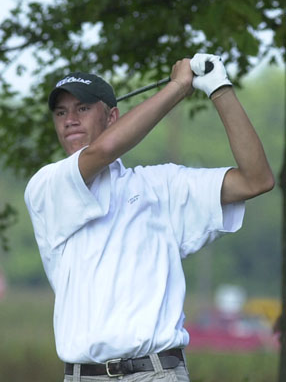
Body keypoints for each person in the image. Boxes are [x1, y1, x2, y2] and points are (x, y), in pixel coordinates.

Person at [24, 53, 274, 382]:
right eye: (60, 112)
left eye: (82, 109)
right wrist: (177, 87)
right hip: (84, 376)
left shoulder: (161, 186)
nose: (69, 119)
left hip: (157, 373)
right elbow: (102, 152)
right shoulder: (46, 186)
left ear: (112, 116)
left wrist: (219, 88)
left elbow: (256, 180)